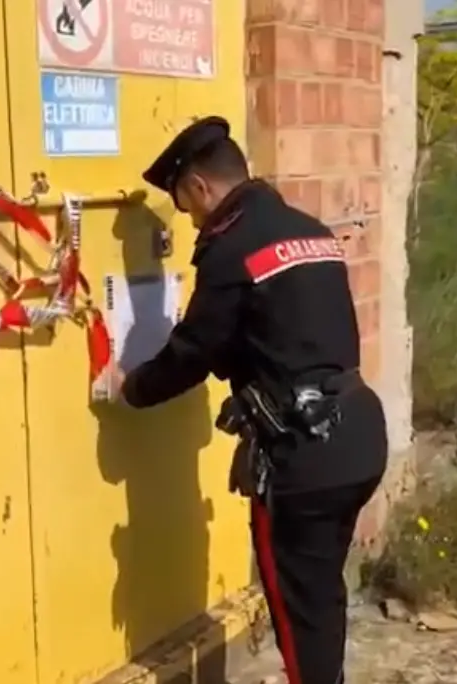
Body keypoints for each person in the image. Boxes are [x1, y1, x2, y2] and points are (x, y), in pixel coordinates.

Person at [114, 116, 388, 684]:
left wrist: (131, 388)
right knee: (319, 596)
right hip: (358, 431)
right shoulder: (307, 228)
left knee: (296, 609)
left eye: (186, 206)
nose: (190, 220)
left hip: (303, 456)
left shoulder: (231, 248)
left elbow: (195, 350)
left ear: (199, 187)